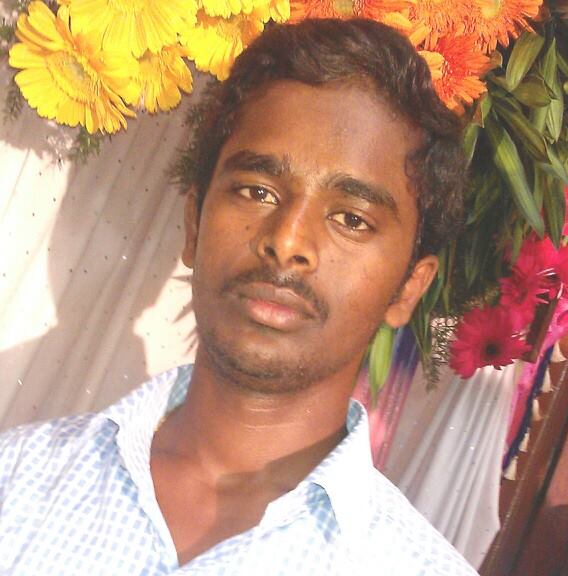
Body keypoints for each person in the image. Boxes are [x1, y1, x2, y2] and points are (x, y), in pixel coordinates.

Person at [0, 18, 477, 575]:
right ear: (194, 225)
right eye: (258, 191)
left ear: (409, 287)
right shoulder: (18, 480)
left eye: (351, 219)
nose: (287, 241)